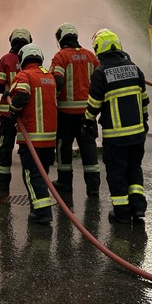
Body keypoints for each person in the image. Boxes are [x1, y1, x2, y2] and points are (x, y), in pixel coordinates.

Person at [83, 29, 149, 223]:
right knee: (134, 169)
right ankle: (138, 208)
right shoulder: (135, 69)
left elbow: (94, 103)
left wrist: (87, 121)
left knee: (117, 173)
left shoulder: (100, 73)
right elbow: (144, 101)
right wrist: (144, 122)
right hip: (137, 135)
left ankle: (121, 213)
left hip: (116, 136)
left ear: (98, 49)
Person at [8, 43, 58, 225]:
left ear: (23, 59)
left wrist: (13, 109)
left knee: (31, 175)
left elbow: (21, 96)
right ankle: (39, 208)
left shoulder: (25, 75)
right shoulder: (49, 76)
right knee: (42, 173)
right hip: (49, 139)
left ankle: (42, 213)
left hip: (32, 138)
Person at [48, 22, 100, 196]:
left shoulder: (61, 57)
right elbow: (100, 80)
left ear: (61, 38)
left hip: (66, 114)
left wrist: (54, 94)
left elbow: (58, 80)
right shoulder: (91, 56)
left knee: (64, 146)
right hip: (88, 112)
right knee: (89, 147)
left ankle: (64, 182)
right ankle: (93, 187)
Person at [0, 27, 32, 194]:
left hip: (8, 113)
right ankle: (31, 183)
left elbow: (0, 87)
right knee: (28, 148)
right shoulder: (31, 61)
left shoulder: (6, 59)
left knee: (5, 145)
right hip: (27, 114)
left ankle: (2, 182)